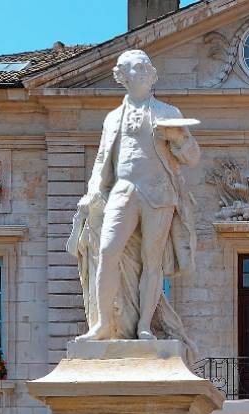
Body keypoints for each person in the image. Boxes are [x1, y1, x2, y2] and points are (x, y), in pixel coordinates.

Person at [69, 49, 200, 345]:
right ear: (121, 76)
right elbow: (103, 161)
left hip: (159, 193)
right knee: (107, 252)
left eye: (147, 68)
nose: (143, 73)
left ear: (153, 75)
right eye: (136, 68)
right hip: (124, 189)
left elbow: (192, 157)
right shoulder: (113, 118)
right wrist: (92, 192)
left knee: (152, 261)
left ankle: (144, 326)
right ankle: (103, 324)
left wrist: (179, 139)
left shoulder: (169, 112)